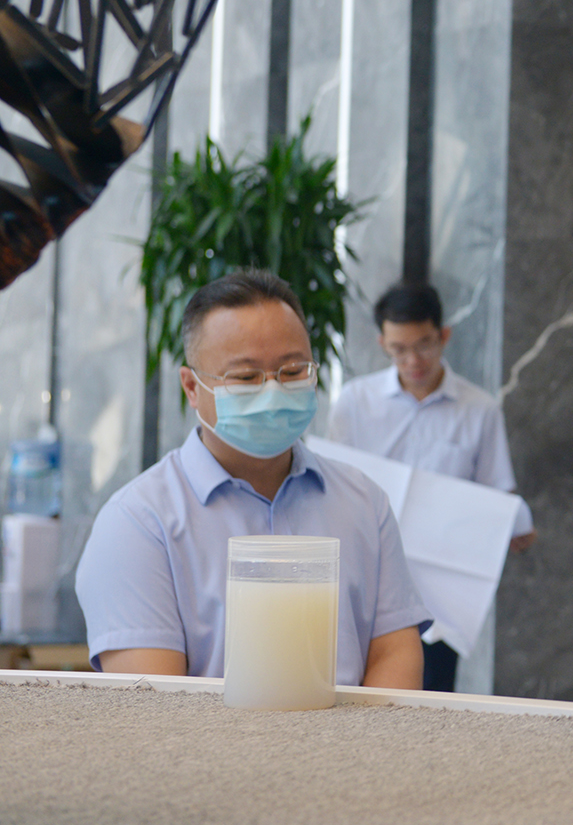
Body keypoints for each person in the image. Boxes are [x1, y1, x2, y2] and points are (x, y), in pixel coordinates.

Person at [75, 270, 429, 688]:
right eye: (245, 378)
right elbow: (155, 700)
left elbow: (395, 652)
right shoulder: (138, 522)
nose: (273, 391)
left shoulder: (364, 502)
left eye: (292, 371)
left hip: (355, 732)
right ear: (191, 387)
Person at [328, 280, 533, 693]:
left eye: (423, 345)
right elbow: (332, 483)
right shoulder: (355, 401)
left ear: (444, 336)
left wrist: (514, 524)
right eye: (399, 349)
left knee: (432, 696)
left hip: (440, 593)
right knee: (352, 691)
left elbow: (496, 491)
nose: (413, 360)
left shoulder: (479, 410)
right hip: (364, 578)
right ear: (382, 343)